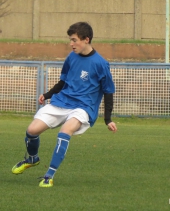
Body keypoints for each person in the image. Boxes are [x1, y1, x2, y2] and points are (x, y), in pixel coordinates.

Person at [12, 22, 117, 187]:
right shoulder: (71, 57)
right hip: (63, 101)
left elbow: (108, 91)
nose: (71, 44)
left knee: (64, 132)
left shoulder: (101, 63)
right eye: (70, 40)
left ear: (86, 39)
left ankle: (49, 175)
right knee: (32, 131)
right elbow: (63, 81)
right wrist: (47, 95)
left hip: (84, 107)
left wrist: (108, 119)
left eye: (74, 40)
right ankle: (32, 159)